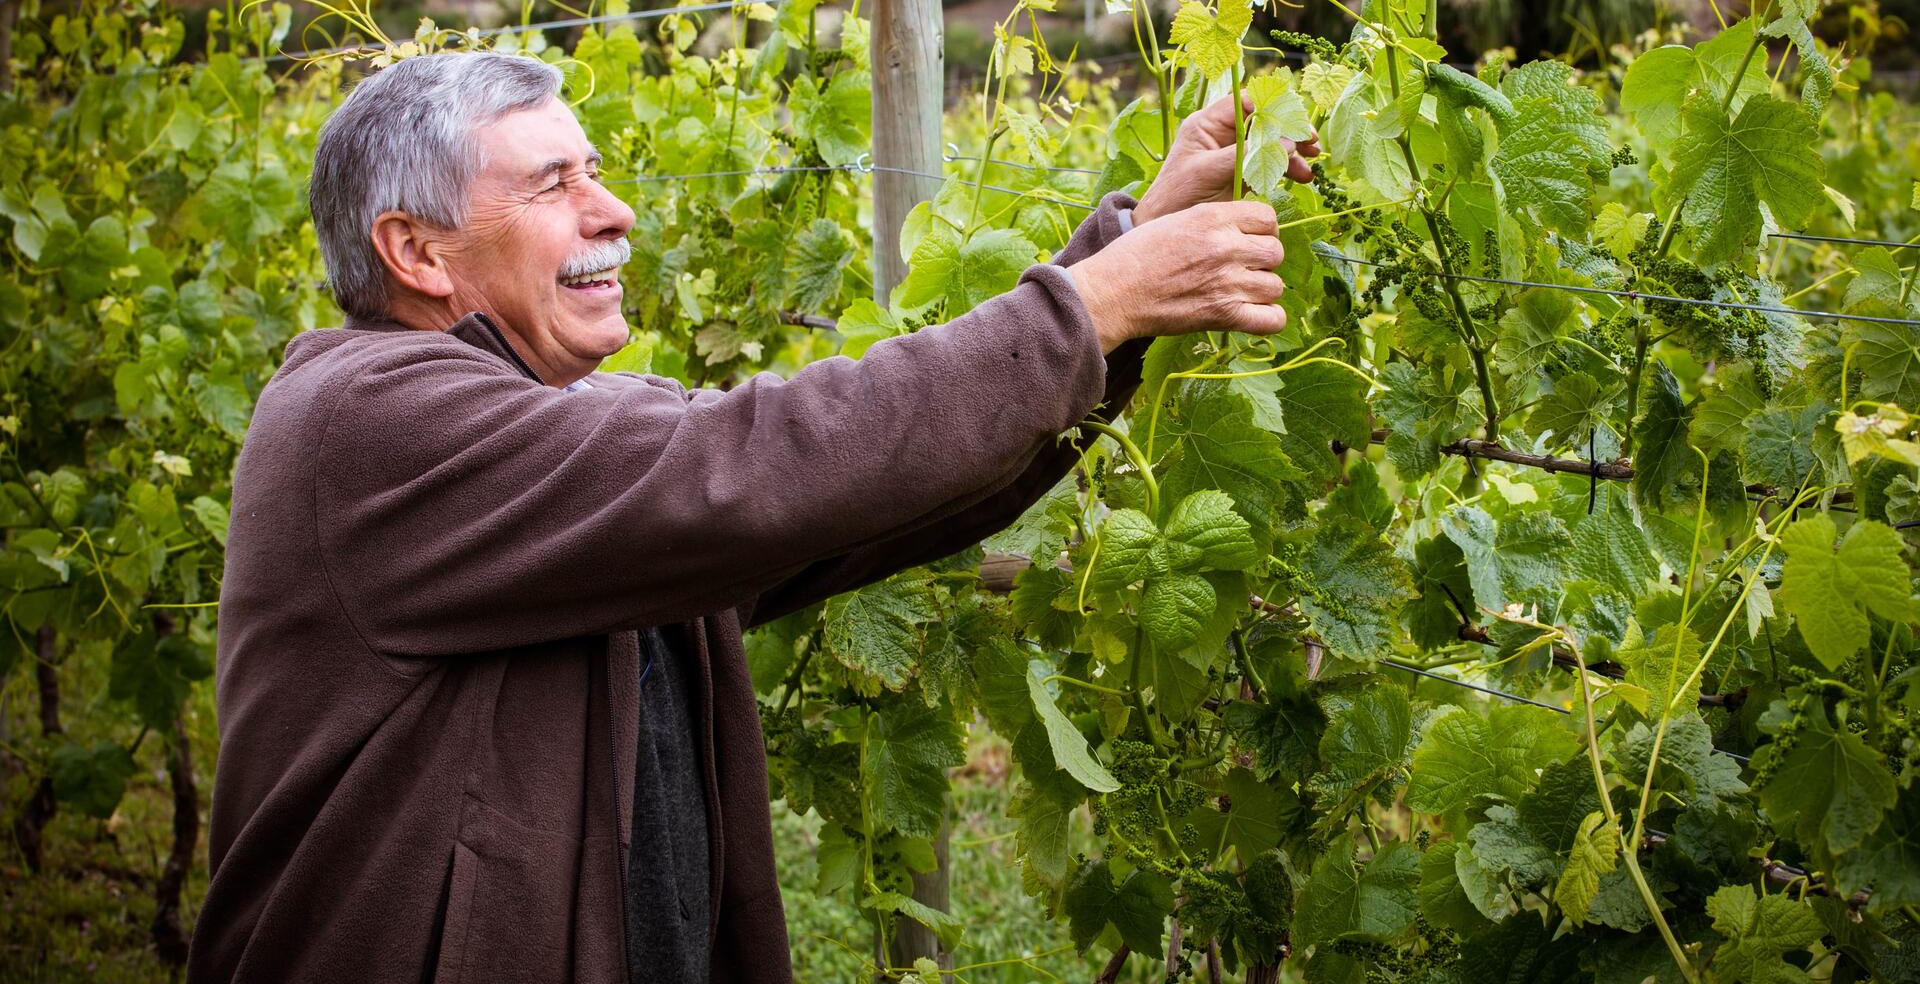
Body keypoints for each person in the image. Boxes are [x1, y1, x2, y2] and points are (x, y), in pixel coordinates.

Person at [186, 50, 1317, 983]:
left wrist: (1116, 270)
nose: (613, 209)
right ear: (415, 250)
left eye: (597, 170)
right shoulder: (364, 421)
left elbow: (852, 500)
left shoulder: (561, 420)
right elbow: (755, 462)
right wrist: (1090, 305)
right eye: (552, 184)